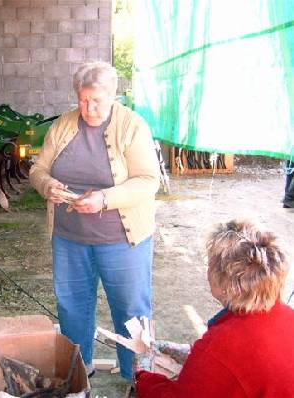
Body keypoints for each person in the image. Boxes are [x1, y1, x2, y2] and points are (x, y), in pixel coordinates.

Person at [29, 61, 160, 380]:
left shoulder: (132, 126)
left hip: (122, 240)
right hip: (69, 238)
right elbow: (37, 169)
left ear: (113, 95)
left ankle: (138, 379)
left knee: (131, 312)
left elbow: (147, 180)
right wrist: (47, 185)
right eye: (83, 100)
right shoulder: (63, 125)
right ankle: (78, 373)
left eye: (96, 101)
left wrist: (104, 199)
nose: (88, 108)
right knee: (72, 308)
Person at [135, 220, 294, 397]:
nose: (207, 270)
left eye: (210, 264)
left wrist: (143, 377)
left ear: (224, 280)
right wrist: (193, 353)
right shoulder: (287, 315)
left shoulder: (221, 345)